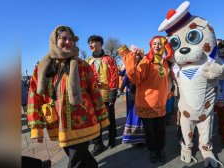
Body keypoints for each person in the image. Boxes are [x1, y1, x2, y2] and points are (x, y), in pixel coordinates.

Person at [27, 25, 108, 168]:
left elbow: (95, 93)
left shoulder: (82, 65)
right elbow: (34, 97)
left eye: (71, 39)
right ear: (54, 41)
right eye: (63, 38)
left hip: (83, 120)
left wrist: (102, 116)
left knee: (75, 161)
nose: (68, 42)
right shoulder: (42, 67)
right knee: (81, 157)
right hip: (58, 123)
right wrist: (36, 127)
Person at [118, 36, 173, 164]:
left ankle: (161, 150)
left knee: (160, 130)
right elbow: (135, 78)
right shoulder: (146, 61)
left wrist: (169, 92)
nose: (157, 46)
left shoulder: (165, 62)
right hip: (147, 103)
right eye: (154, 44)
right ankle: (153, 151)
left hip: (161, 103)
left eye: (160, 44)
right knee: (150, 131)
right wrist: (129, 58)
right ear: (151, 46)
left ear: (165, 46)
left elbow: (165, 81)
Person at [86, 35, 119, 155]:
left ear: (100, 44)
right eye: (90, 42)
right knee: (95, 120)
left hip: (107, 93)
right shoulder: (88, 61)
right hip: (93, 95)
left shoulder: (109, 59)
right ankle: (98, 143)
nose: (92, 44)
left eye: (94, 42)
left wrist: (113, 93)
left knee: (109, 118)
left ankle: (112, 139)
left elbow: (114, 76)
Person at [118, 45, 146, 145]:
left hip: (142, 94)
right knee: (132, 114)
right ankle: (133, 138)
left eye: (138, 55)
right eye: (135, 55)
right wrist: (120, 90)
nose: (136, 57)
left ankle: (143, 137)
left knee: (141, 114)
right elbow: (125, 78)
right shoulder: (129, 67)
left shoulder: (144, 66)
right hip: (131, 94)